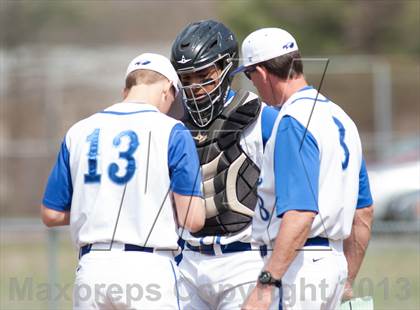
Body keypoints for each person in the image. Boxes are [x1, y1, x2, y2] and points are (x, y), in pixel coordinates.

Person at [41, 53, 205, 310]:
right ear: (166, 90)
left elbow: (51, 214)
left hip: (92, 270)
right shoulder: (172, 131)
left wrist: (96, 207)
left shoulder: (79, 131)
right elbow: (192, 219)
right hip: (149, 267)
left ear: (125, 89)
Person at [233, 28, 374, 309]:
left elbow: (300, 213)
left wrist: (266, 283)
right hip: (332, 265)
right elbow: (364, 212)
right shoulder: (340, 117)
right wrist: (347, 278)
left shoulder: (293, 120)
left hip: (297, 266)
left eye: (249, 76)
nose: (253, 85)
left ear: (261, 73)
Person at [170, 20, 280, 309]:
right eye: (187, 78)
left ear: (226, 68)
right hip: (189, 262)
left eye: (204, 75)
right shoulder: (172, 123)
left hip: (243, 260)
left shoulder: (261, 118)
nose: (195, 87)